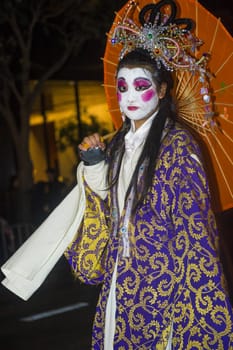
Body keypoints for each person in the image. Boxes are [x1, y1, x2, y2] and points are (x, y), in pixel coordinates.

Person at [65, 46, 233, 350]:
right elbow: (110, 206)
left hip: (163, 280)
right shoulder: (116, 145)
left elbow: (194, 230)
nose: (129, 96)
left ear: (162, 89)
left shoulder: (178, 145)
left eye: (141, 86)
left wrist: (194, 297)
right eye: (122, 86)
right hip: (122, 277)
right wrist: (93, 163)